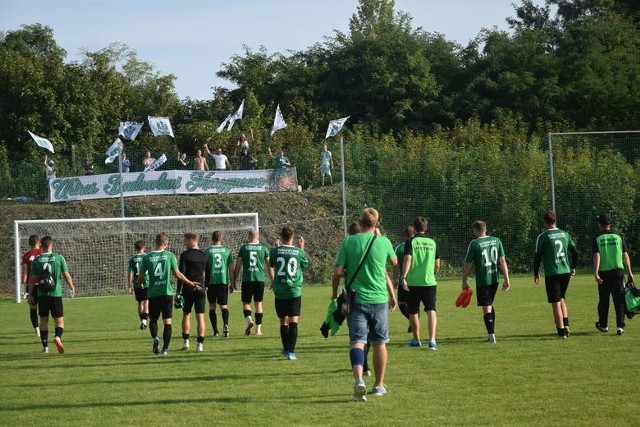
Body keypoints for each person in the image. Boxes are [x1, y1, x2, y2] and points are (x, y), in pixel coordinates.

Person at [332, 207, 397, 402]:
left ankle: (359, 380)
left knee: (358, 341)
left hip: (357, 299)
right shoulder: (383, 242)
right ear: (376, 224)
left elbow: (337, 271)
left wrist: (348, 272)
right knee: (379, 343)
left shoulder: (349, 241)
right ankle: (378, 385)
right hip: (379, 299)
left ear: (359, 223)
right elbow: (394, 262)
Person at [138, 233, 201, 355]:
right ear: (166, 244)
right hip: (167, 293)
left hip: (153, 293)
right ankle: (165, 349)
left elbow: (140, 277)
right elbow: (177, 274)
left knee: (153, 320)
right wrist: (190, 283)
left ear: (155, 243)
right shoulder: (170, 256)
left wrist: (140, 284)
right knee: (167, 322)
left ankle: (155, 338)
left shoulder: (147, 257)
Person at [461, 220, 511, 344]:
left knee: (486, 307)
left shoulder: (475, 243)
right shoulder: (497, 241)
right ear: (485, 228)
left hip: (483, 281)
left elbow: (467, 264)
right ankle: (491, 334)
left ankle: (491, 335)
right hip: (495, 279)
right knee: (489, 304)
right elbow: (503, 261)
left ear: (477, 230)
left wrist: (464, 280)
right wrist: (506, 279)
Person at [533, 210, 578, 339]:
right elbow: (575, 252)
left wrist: (536, 273)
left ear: (545, 222)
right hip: (565, 271)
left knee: (555, 302)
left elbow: (537, 257)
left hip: (553, 273)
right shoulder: (565, 234)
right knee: (562, 297)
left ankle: (561, 331)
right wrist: (573, 267)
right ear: (555, 220)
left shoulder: (543, 237)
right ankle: (566, 324)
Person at [27, 236, 75, 354]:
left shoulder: (37, 260)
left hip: (42, 294)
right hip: (56, 294)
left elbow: (32, 279)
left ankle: (45, 347)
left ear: (41, 246)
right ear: (51, 245)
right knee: (59, 321)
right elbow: (66, 275)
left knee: (43, 320)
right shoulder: (59, 258)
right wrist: (72, 287)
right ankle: (58, 337)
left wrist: (30, 294)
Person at [268, 226, 309, 360]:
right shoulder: (299, 252)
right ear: (293, 237)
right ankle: (291, 352)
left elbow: (272, 265)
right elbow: (305, 265)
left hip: (279, 291)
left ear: (281, 237)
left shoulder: (274, 251)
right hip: (293, 291)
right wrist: (302, 248)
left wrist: (277, 248)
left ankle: (286, 349)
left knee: (283, 321)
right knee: (293, 322)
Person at [402, 217, 440, 350]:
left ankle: (416, 340)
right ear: (426, 227)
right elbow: (437, 263)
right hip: (429, 282)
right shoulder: (432, 242)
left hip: (414, 282)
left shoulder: (411, 241)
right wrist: (433, 274)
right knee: (431, 310)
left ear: (415, 228)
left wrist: (403, 277)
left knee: (413, 311)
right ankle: (432, 341)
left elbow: (407, 259)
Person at [593, 213, 634, 336]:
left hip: (604, 274)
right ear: (610, 224)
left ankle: (603, 325)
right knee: (619, 300)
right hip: (618, 273)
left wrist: (596, 272)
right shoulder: (618, 237)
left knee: (604, 301)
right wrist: (630, 272)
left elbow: (597, 255)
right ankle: (620, 326)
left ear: (600, 224)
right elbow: (625, 255)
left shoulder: (598, 238)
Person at [178, 233, 211, 352]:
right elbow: (209, 273)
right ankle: (200, 344)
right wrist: (205, 286)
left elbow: (181, 274)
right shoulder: (205, 255)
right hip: (200, 288)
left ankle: (186, 341)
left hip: (188, 288)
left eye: (186, 241)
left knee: (186, 314)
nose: (184, 243)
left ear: (192, 240)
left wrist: (178, 291)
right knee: (200, 317)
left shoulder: (185, 255)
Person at [233, 229, 270, 336]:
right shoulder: (263, 248)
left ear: (249, 237)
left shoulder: (243, 248)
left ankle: (249, 320)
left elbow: (238, 265)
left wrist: (234, 280)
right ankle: (258, 330)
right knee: (258, 304)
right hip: (259, 280)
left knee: (246, 303)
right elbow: (269, 266)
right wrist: (273, 279)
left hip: (247, 280)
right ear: (258, 237)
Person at [205, 231, 234, 338]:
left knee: (212, 307)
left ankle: (216, 331)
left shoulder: (207, 251)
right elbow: (231, 269)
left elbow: (204, 269)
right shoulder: (227, 251)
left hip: (211, 282)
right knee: (223, 306)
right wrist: (232, 283)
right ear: (221, 238)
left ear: (211, 238)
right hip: (223, 282)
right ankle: (225, 324)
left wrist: (204, 282)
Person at [393, 225, 415, 333]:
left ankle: (412, 319)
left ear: (404, 235)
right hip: (416, 280)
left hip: (404, 279)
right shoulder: (418, 245)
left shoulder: (399, 248)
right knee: (413, 303)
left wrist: (394, 279)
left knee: (401, 303)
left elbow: (395, 265)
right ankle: (414, 319)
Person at [21, 235, 43, 336]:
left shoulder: (26, 256)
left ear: (29, 244)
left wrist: (23, 285)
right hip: (43, 284)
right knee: (43, 307)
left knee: (33, 308)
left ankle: (36, 328)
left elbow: (25, 273)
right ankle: (43, 326)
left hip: (31, 285)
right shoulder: (44, 254)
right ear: (38, 242)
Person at [127, 240, 149, 330]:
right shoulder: (148, 257)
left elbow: (130, 272)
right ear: (144, 247)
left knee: (140, 303)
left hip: (136, 283)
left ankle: (142, 321)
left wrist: (129, 285)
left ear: (135, 248)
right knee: (146, 302)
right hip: (147, 282)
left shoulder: (132, 259)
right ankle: (144, 321)